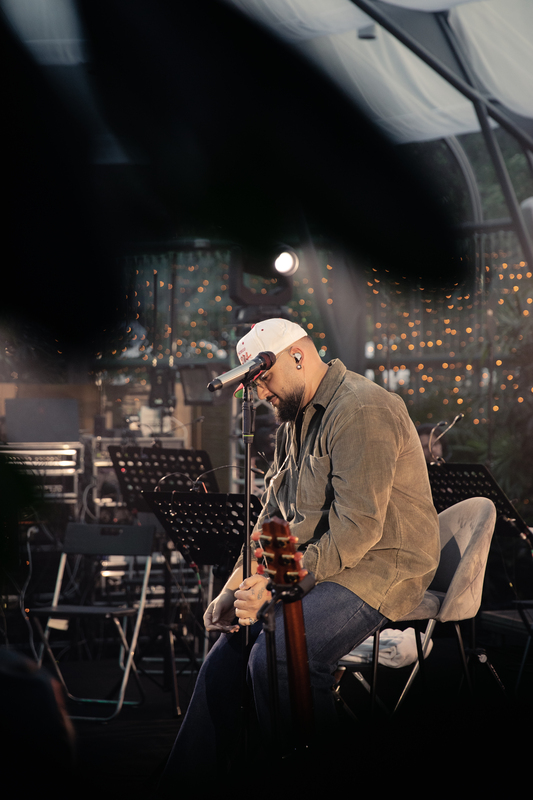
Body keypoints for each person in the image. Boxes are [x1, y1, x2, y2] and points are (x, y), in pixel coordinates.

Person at [155, 318, 439, 793]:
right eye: (254, 383)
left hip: (382, 566)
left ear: (299, 356)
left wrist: (273, 584)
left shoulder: (361, 408)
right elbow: (274, 521)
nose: (260, 391)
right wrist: (232, 589)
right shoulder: (295, 421)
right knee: (226, 659)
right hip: (325, 564)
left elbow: (356, 531)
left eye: (264, 377)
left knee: (282, 656)